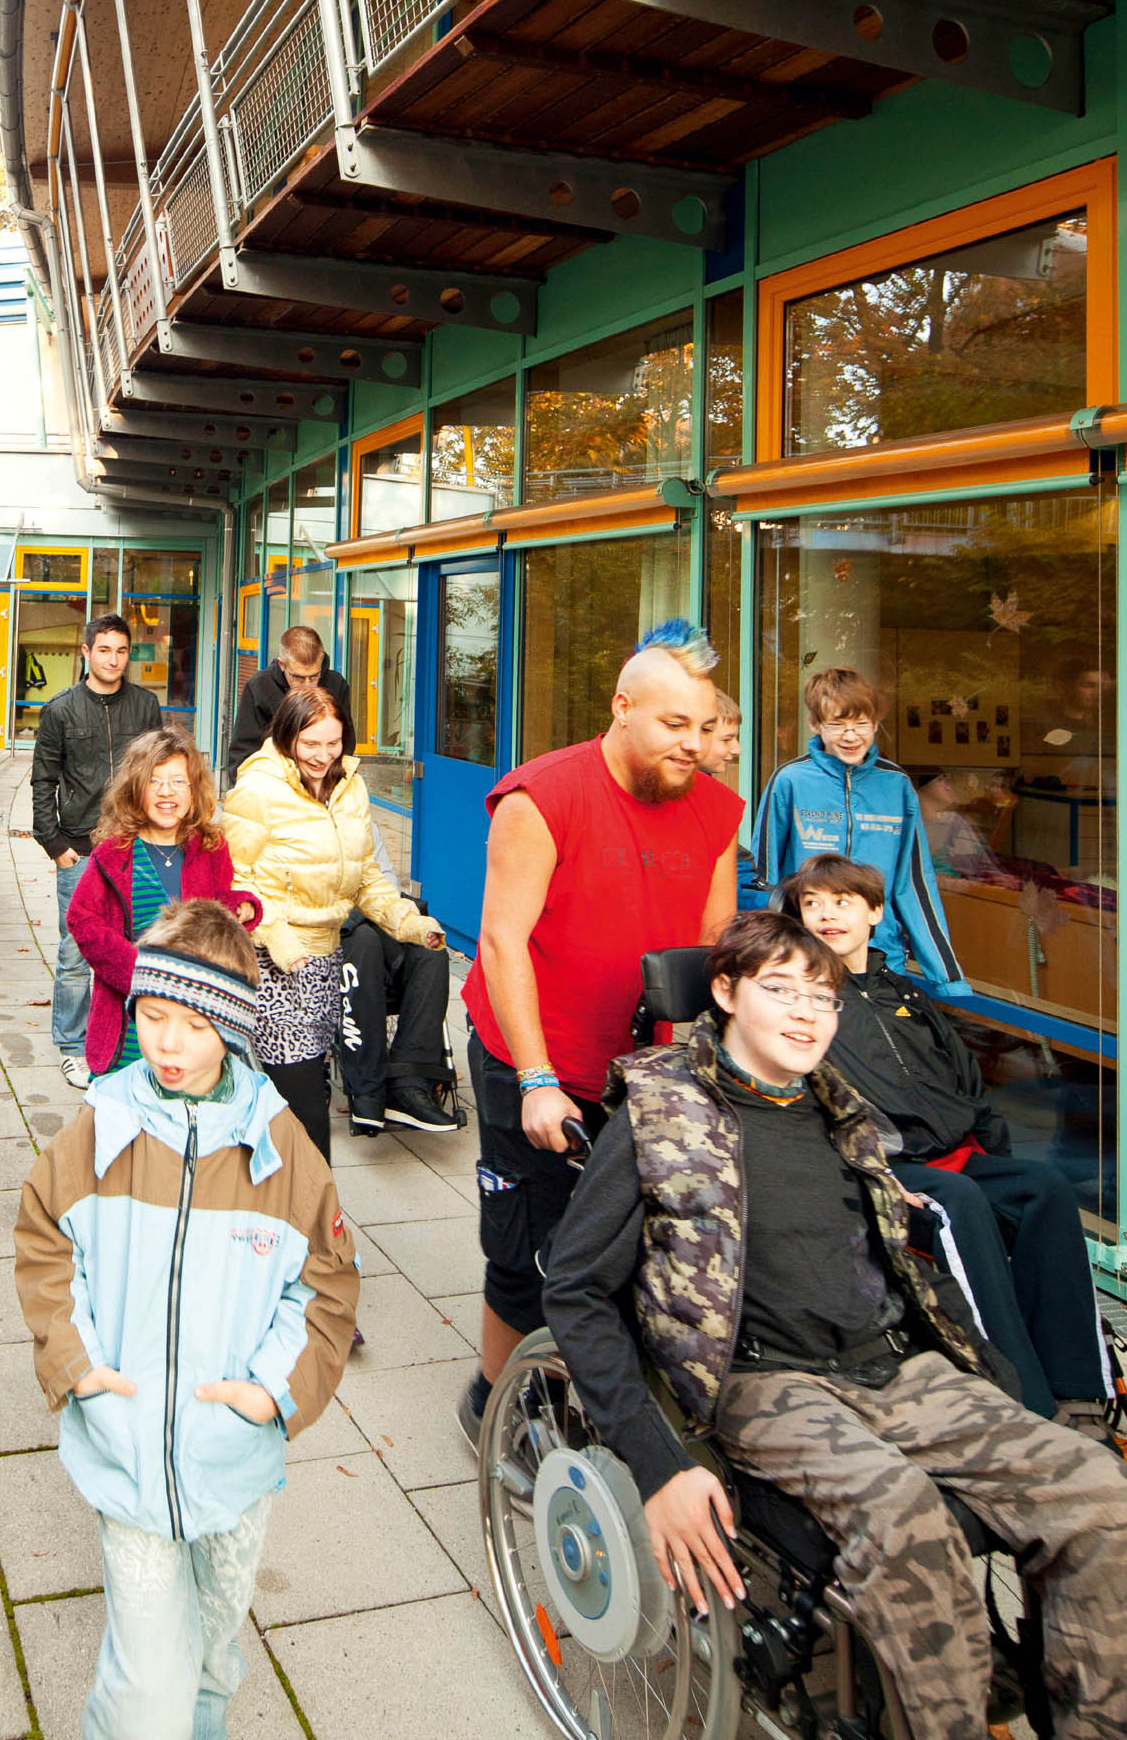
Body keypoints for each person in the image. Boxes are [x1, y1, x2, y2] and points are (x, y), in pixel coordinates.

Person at [542, 910, 1127, 1740]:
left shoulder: (842, 1112)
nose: (805, 1013)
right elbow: (577, 1294)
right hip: (765, 1385)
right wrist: (658, 1467)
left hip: (900, 1369)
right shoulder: (658, 1111)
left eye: (820, 996)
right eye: (778, 990)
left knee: (1103, 1504)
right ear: (722, 993)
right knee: (909, 1534)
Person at [13, 897, 357, 1740]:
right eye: (157, 1016)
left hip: (233, 1461)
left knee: (213, 1640)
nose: (168, 1043)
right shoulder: (103, 1126)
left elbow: (326, 1286)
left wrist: (274, 1394)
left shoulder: (284, 1150)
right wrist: (73, 1363)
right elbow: (42, 1238)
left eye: (196, 1025)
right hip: (125, 1454)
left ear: (234, 1029)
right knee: (147, 1676)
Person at [456, 620, 742, 1448]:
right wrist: (539, 1078)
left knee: (619, 1241)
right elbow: (505, 941)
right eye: (673, 726)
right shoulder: (541, 797)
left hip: (642, 1068)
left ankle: (600, 1382)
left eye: (703, 727)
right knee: (528, 1246)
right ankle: (494, 1398)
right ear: (623, 708)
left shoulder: (717, 812)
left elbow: (708, 954)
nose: (694, 745)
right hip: (532, 1056)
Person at [779, 853, 1112, 1429]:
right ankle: (1023, 1403)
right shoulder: (804, 1003)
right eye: (813, 904)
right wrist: (871, 1173)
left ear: (875, 913)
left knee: (1046, 1188)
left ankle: (1079, 1390)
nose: (827, 915)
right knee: (962, 1204)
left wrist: (995, 1156)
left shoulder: (904, 995)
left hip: (957, 1152)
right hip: (891, 1166)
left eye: (842, 902)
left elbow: (969, 1087)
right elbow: (803, 1108)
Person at [223, 687, 445, 1158]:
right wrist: (280, 942)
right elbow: (235, 879)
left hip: (323, 960)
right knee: (303, 1112)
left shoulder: (350, 788)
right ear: (287, 737)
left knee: (300, 1103)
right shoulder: (258, 789)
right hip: (274, 965)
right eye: (310, 744)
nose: (323, 756)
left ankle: (288, 1210)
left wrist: (408, 922)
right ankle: (313, 1215)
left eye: (333, 743)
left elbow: (366, 876)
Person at [752, 665, 965, 994]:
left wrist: (945, 974)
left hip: (880, 956)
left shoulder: (896, 785)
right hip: (805, 954)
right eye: (837, 724)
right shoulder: (790, 780)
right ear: (815, 724)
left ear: (876, 724)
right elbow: (763, 877)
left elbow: (915, 882)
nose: (850, 736)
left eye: (860, 724)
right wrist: (765, 954)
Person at [66, 726, 261, 1077]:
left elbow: (217, 901)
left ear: (193, 790)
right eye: (154, 782)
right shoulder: (114, 854)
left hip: (194, 1011)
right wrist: (140, 972)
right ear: (135, 790)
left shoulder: (211, 848)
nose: (166, 792)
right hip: (128, 1021)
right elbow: (83, 919)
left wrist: (242, 906)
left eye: (177, 782)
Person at [31, 615, 163, 1090]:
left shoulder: (146, 706)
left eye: (121, 651)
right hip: (81, 850)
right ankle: (72, 1046)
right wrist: (54, 843)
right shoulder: (60, 710)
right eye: (104, 650)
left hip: (135, 844)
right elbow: (43, 780)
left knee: (140, 945)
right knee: (75, 953)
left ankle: (134, 1041)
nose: (113, 659)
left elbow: (156, 770)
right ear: (86, 652)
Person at [336, 818, 459, 1138]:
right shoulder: (282, 810)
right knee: (364, 941)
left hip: (373, 915)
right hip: (325, 932)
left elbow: (387, 887)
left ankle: (409, 1081)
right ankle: (368, 1086)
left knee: (430, 949)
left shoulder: (357, 816)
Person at [226, 625, 354, 775]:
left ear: (321, 663)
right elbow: (243, 754)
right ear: (282, 665)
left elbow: (346, 744)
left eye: (314, 676)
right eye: (298, 677)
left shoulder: (336, 685)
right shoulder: (260, 687)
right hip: (273, 784)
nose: (307, 686)